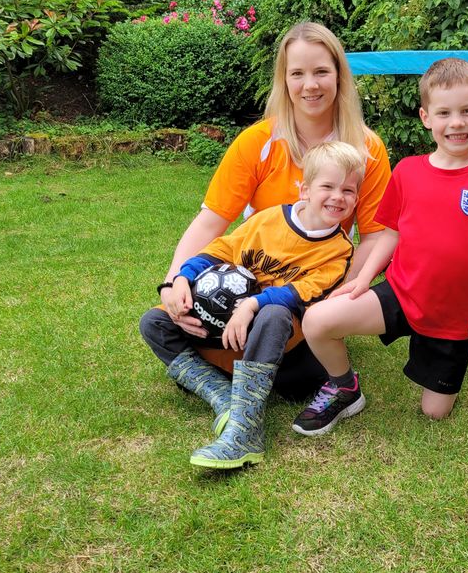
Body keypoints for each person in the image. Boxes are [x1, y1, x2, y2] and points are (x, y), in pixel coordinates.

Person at [291, 57, 468, 436]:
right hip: (401, 294)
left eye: (467, 111)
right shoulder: (407, 170)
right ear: (426, 117)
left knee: (434, 412)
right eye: (444, 113)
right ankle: (345, 387)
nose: (456, 123)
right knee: (317, 320)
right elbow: (390, 234)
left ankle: (441, 363)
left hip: (454, 317)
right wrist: (362, 280)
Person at [156, 22, 391, 397]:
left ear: (339, 75)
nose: (310, 85)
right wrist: (174, 283)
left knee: (300, 380)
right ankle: (222, 376)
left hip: (304, 286)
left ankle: (240, 361)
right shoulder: (257, 141)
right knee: (159, 323)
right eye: (297, 73)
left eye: (321, 71)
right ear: (284, 80)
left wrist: (331, 303)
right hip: (246, 277)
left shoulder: (367, 149)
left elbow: (376, 237)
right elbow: (212, 221)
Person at [140, 141, 365, 469]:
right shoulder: (268, 219)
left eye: (348, 190)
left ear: (356, 199)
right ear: (304, 189)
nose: (337, 196)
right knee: (153, 322)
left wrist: (250, 306)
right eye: (327, 186)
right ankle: (222, 396)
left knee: (274, 312)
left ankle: (246, 431)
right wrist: (183, 278)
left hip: (284, 348)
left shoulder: (340, 251)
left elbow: (299, 293)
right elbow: (221, 249)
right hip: (225, 331)